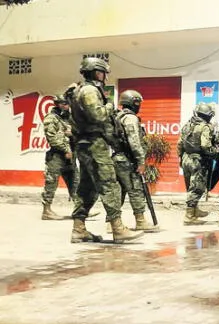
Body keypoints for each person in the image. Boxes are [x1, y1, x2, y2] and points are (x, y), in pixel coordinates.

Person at [68, 57, 143, 243]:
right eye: (102, 73)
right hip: (95, 145)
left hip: (85, 145)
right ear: (95, 72)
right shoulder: (89, 91)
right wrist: (110, 106)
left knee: (87, 188)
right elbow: (98, 115)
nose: (104, 77)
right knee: (109, 184)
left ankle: (79, 228)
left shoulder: (79, 90)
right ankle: (118, 228)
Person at [108, 90, 159, 233]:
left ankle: (112, 223)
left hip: (117, 158)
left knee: (117, 192)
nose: (138, 106)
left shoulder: (118, 117)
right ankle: (140, 221)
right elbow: (134, 141)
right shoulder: (130, 118)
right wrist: (141, 161)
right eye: (137, 103)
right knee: (136, 189)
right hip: (128, 160)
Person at [41, 95, 81, 220]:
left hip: (70, 158)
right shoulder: (51, 118)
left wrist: (72, 134)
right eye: (65, 104)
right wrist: (65, 149)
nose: (67, 106)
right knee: (51, 183)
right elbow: (52, 137)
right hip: (57, 157)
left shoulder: (68, 118)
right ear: (58, 104)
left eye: (68, 104)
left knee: (76, 182)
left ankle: (79, 210)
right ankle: (46, 211)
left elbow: (77, 134)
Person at [177, 103, 216, 225]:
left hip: (186, 159)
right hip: (198, 160)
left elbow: (179, 144)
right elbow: (205, 145)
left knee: (190, 187)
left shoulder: (187, 125)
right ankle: (189, 216)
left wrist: (181, 158)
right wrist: (215, 152)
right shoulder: (205, 127)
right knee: (197, 188)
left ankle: (194, 210)